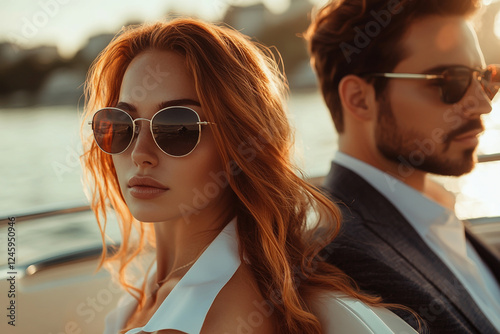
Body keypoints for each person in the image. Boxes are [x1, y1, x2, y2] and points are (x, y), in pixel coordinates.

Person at [80, 18, 419, 334]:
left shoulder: (226, 312)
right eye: (122, 125)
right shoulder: (159, 282)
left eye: (176, 127)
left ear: (239, 145)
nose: (140, 154)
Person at [305, 0, 500, 333]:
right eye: (451, 80)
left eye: (486, 77)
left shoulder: (432, 212)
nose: (483, 103)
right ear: (359, 99)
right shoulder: (339, 260)